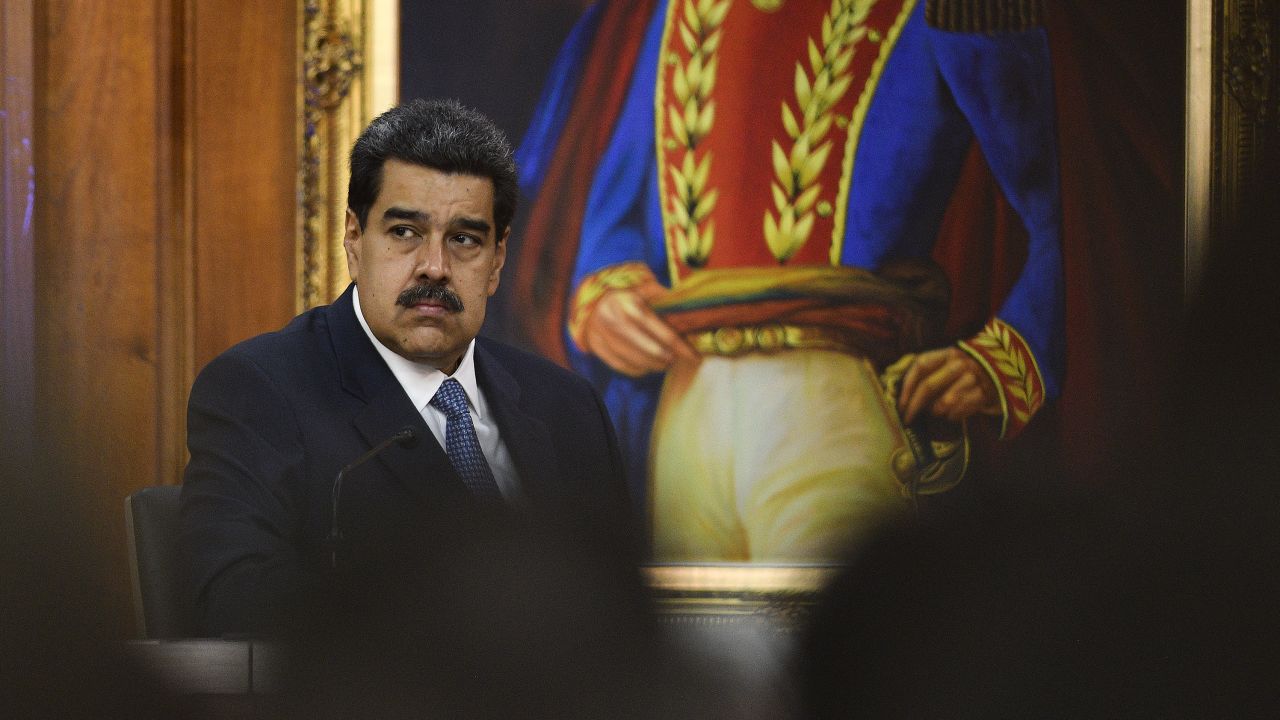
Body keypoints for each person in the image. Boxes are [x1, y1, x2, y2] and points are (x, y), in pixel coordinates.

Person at [513, 0, 1065, 562]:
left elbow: (1064, 209)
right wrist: (605, 296)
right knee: (688, 639)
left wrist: (1008, 355)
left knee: (834, 637)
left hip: (831, 404)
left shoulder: (944, 11)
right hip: (687, 409)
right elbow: (614, 219)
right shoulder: (676, 11)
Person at [179, 99, 632, 637]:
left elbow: (622, 615)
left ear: (498, 260)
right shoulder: (262, 389)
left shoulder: (566, 407)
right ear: (353, 238)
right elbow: (232, 599)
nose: (435, 267)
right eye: (404, 233)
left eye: (464, 239)